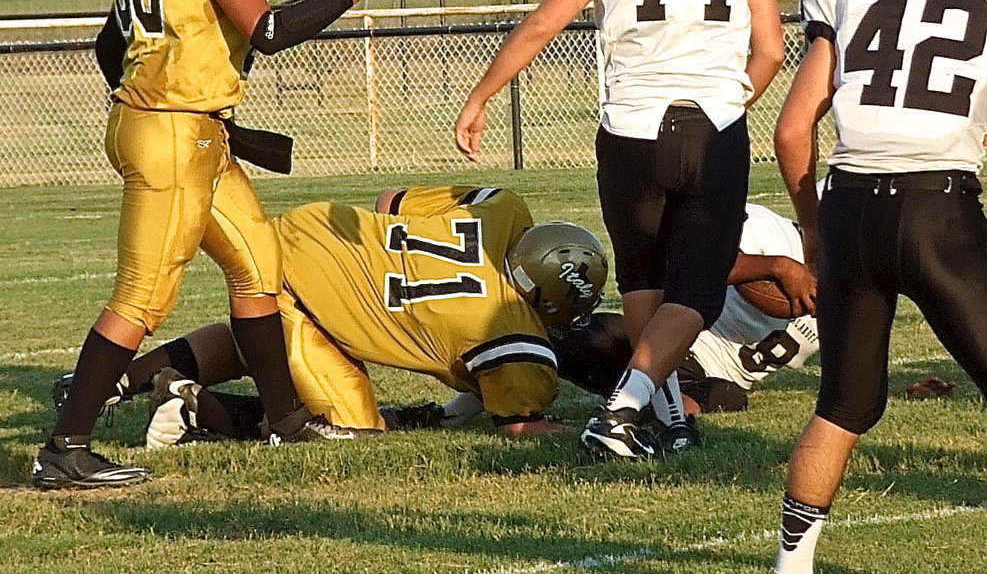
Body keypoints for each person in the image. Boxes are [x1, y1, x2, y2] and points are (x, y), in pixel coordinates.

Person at [34, 0, 401, 490]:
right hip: (175, 131)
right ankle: (65, 447)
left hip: (183, 126)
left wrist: (154, 95)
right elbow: (263, 29)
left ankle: (284, 420)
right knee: (143, 297)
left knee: (258, 265)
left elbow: (108, 43)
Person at [455, 0, 785, 458]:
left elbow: (548, 20)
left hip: (629, 130)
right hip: (711, 127)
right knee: (697, 288)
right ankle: (623, 411)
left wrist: (481, 95)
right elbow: (770, 48)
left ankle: (669, 421)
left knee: (642, 275)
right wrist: (731, 98)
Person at [765, 0, 987, 574]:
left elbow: (792, 129)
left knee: (846, 401)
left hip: (851, 201)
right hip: (940, 208)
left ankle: (790, 568)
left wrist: (812, 226)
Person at [60, 186, 608, 445]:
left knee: (258, 335)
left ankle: (109, 382)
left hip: (309, 228)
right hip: (304, 291)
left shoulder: (505, 210)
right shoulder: (514, 335)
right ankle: (192, 414)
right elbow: (518, 423)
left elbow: (391, 200)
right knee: (348, 430)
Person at [553, 202, 817, 415]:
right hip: (662, 341)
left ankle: (644, 410)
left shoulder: (849, 303)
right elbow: (693, 260)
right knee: (578, 338)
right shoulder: (766, 229)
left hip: (707, 378)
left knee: (727, 396)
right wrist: (776, 266)